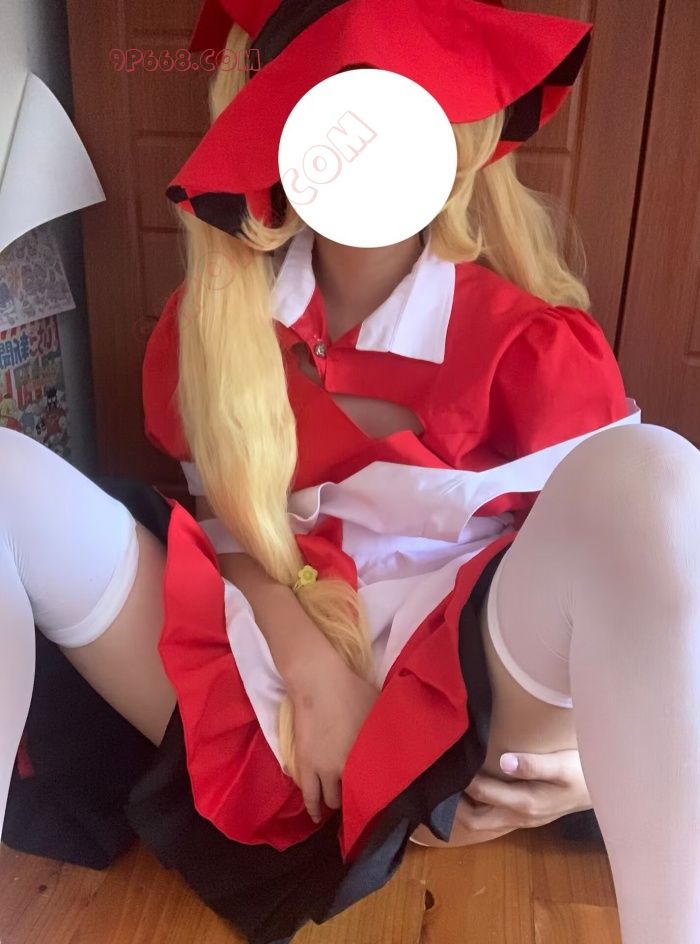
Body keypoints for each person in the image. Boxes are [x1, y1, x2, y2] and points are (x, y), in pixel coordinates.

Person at [1, 2, 699, 943]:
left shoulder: (531, 346)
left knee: (654, 477)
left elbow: (619, 586)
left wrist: (585, 769)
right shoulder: (207, 333)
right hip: (260, 680)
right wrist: (312, 669)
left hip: (460, 711)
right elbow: (225, 537)